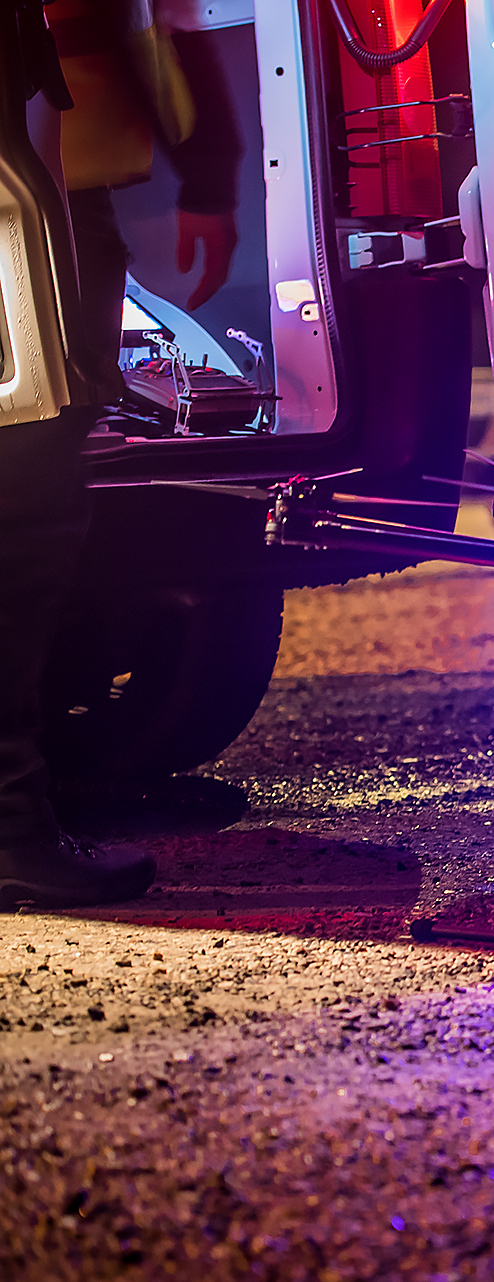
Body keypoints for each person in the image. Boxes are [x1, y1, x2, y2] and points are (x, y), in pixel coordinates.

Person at [0, 0, 238, 909]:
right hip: (26, 205)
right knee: (23, 515)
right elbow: (107, 23)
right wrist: (209, 170)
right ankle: (10, 829)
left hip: (34, 181)